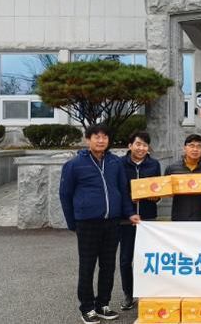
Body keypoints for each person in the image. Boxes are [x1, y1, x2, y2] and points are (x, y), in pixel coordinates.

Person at [59, 124, 139, 324]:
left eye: (105, 137)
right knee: (87, 266)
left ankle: (103, 304)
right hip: (87, 223)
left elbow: (123, 190)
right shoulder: (74, 164)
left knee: (108, 266)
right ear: (88, 139)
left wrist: (129, 213)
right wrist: (72, 223)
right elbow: (65, 195)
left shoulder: (115, 162)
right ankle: (87, 308)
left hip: (112, 222)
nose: (101, 140)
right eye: (97, 136)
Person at [119, 131, 161, 311]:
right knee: (125, 259)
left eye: (145, 145)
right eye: (138, 144)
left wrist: (156, 197)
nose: (141, 148)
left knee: (148, 258)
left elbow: (158, 189)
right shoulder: (120, 164)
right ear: (130, 146)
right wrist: (129, 208)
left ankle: (148, 294)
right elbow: (119, 191)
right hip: (126, 219)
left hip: (148, 218)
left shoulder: (154, 164)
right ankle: (129, 295)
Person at [165, 134, 201, 221]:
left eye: (199, 146)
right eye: (191, 146)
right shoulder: (172, 168)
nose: (195, 149)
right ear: (184, 148)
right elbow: (166, 190)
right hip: (179, 216)